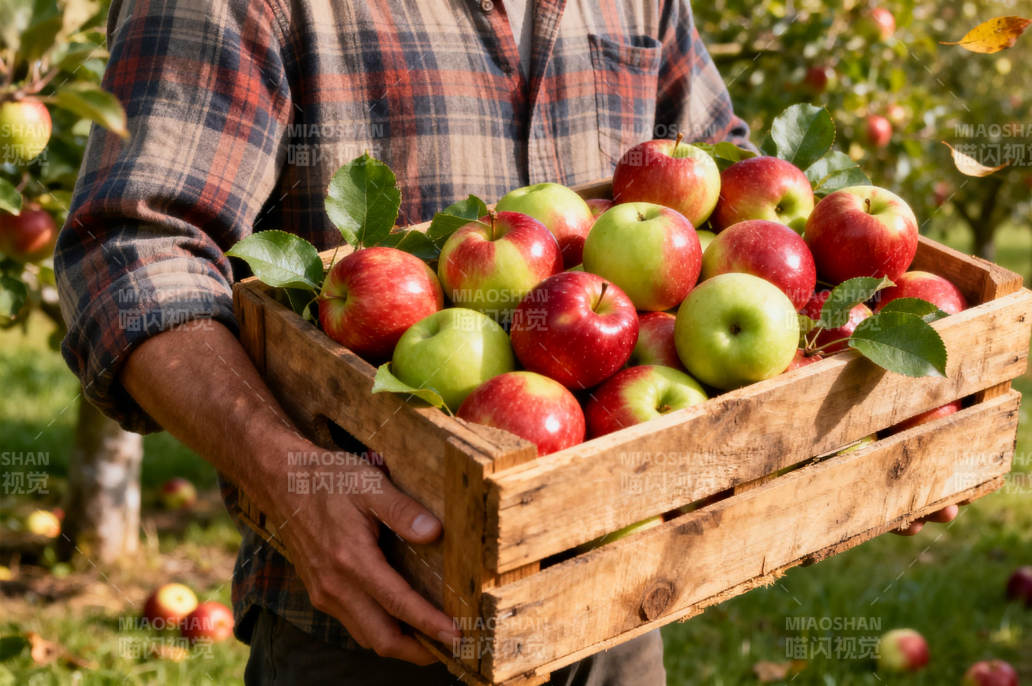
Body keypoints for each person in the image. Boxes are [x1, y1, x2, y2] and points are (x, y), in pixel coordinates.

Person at [57, 0, 951, 683]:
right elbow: (132, 250)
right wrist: (292, 474)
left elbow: (734, 189)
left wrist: (865, 396)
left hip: (622, 601)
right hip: (380, 615)